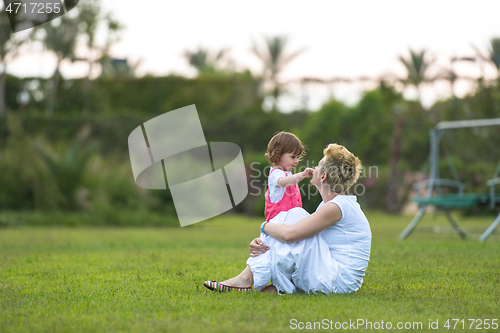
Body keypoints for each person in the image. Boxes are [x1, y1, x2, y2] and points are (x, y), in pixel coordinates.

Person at [203, 143, 371, 294]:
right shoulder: (332, 206)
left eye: (319, 165)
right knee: (295, 220)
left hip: (339, 281)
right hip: (331, 273)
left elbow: (290, 234)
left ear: (323, 177)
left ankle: (246, 279)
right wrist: (264, 241)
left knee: (296, 215)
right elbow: (297, 238)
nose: (314, 167)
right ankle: (271, 286)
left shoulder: (337, 207)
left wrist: (265, 227)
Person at [263, 132, 313, 222]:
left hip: (289, 220)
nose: (296, 161)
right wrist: (302, 175)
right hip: (278, 221)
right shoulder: (276, 174)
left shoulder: (287, 173)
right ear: (278, 155)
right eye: (293, 157)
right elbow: (284, 182)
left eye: (298, 157)